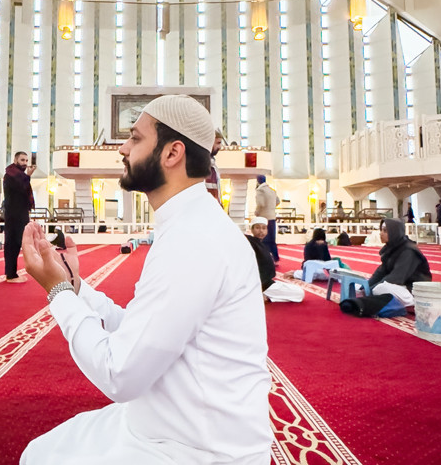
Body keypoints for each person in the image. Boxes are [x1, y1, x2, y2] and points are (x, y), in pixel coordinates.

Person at [19, 94, 271, 464]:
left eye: (135, 138)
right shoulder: (188, 223)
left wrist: (57, 293)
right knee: (42, 452)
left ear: (172, 154)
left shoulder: (193, 240)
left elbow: (119, 375)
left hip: (200, 450)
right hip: (169, 423)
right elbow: (142, 330)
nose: (122, 148)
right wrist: (76, 288)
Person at [367, 218, 432, 307]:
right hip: (401, 286)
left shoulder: (408, 251)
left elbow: (397, 277)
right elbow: (380, 272)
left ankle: (414, 303)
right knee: (362, 285)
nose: (381, 233)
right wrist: (365, 287)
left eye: (385, 231)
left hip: (414, 290)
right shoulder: (392, 247)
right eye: (381, 230)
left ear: (395, 232)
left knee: (380, 288)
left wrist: (371, 290)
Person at [246, 216, 304, 303]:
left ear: (267, 231)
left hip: (269, 282)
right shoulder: (251, 243)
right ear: (252, 229)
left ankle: (267, 297)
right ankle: (261, 295)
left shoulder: (262, 245)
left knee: (297, 289)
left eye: (264, 228)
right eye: (257, 228)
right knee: (299, 294)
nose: (261, 231)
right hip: (262, 285)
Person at [2, 151, 36, 283]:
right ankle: (11, 275)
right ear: (16, 160)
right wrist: (28, 176)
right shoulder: (11, 174)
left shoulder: (18, 175)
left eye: (26, 161)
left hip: (19, 212)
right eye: (22, 160)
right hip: (14, 213)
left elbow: (23, 187)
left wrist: (27, 176)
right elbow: (21, 187)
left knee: (16, 243)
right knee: (13, 243)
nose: (25, 163)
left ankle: (11, 273)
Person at [254, 174, 281, 263]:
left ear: (258, 181)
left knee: (262, 238)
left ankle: (263, 259)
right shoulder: (272, 190)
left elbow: (261, 204)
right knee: (272, 239)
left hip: (263, 218)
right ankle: (276, 258)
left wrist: (257, 213)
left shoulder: (260, 190)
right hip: (272, 217)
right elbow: (278, 201)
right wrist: (271, 208)